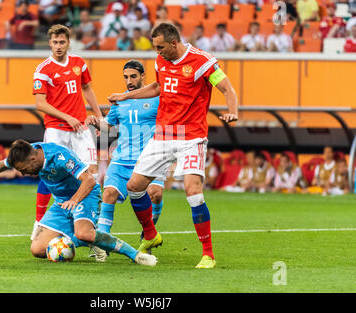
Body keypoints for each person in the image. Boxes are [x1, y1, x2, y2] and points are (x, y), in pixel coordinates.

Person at [108, 23, 239, 269]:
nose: (157, 53)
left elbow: (226, 88)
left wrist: (233, 111)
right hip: (164, 134)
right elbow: (157, 87)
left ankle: (208, 254)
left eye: (160, 47)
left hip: (191, 136)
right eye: (155, 48)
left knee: (193, 191)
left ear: (174, 43)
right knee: (134, 186)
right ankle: (150, 234)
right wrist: (125, 96)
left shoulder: (202, 61)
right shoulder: (160, 62)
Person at [0, 139, 157, 266]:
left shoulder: (59, 156)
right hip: (61, 203)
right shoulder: (24, 154)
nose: (23, 173)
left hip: (84, 195)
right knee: (37, 250)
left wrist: (75, 201)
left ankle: (135, 255)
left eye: (23, 169)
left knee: (83, 232)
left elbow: (89, 180)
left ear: (33, 160)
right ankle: (92, 241)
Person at [85, 60, 164, 262]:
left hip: (149, 158)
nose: (129, 81)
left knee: (155, 194)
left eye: (133, 76)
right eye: (126, 77)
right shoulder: (119, 101)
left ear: (143, 76)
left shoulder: (157, 98)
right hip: (122, 159)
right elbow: (108, 128)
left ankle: (148, 233)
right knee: (109, 193)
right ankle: (101, 244)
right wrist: (97, 123)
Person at [32, 24, 103, 240]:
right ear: (49, 43)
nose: (58, 46)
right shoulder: (43, 69)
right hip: (56, 129)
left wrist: (99, 117)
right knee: (49, 172)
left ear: (68, 42)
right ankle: (39, 223)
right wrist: (67, 117)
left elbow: (88, 89)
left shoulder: (79, 63)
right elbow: (40, 104)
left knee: (90, 175)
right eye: (55, 42)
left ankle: (91, 229)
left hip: (80, 128)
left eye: (62, 42)